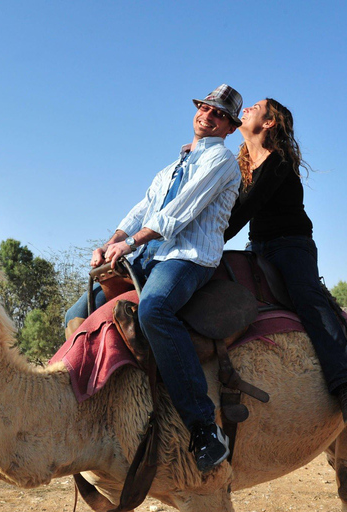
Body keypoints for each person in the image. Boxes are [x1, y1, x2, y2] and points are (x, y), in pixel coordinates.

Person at [64, 84, 243, 473]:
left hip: (188, 257)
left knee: (155, 309)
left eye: (219, 115)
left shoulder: (223, 162)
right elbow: (142, 209)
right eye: (204, 108)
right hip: (148, 253)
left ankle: (203, 428)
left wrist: (129, 245)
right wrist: (109, 242)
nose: (207, 116)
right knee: (76, 313)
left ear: (229, 128)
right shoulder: (170, 168)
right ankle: (88, 406)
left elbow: (178, 213)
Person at [223, 98, 347, 425]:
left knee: (308, 300)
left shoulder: (278, 162)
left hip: (290, 246)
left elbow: (244, 210)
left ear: (270, 122)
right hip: (256, 247)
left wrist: (210, 242)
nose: (246, 108)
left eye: (255, 106)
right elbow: (225, 207)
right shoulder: (240, 169)